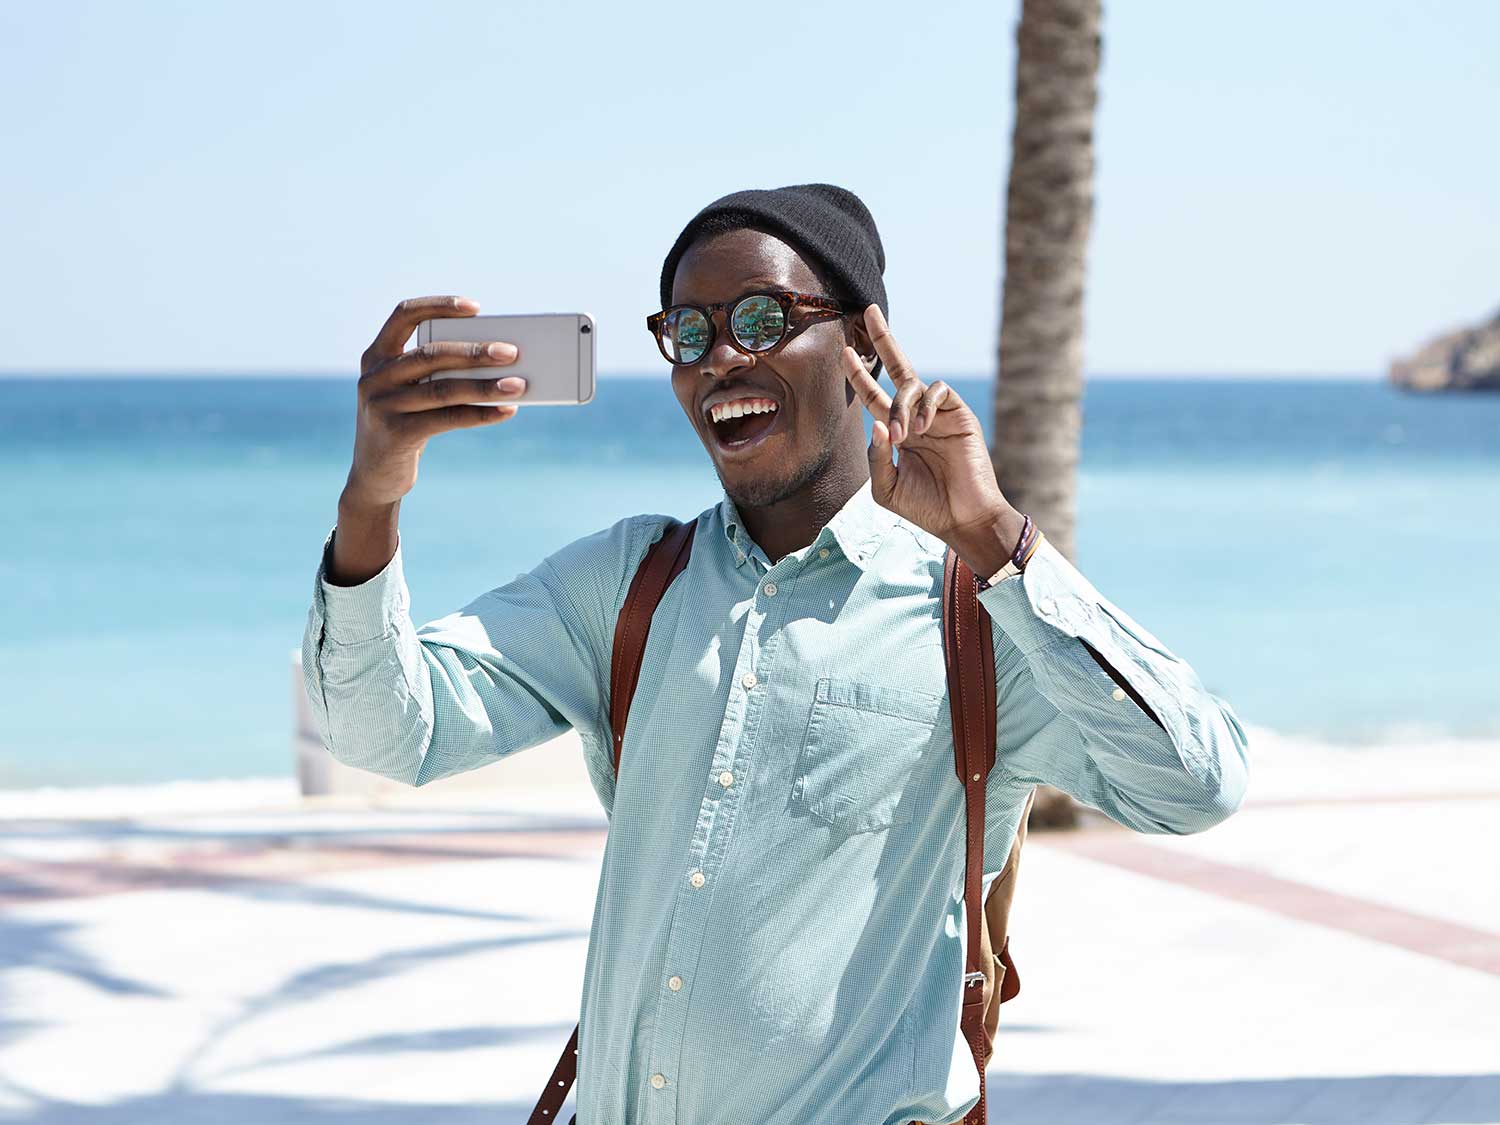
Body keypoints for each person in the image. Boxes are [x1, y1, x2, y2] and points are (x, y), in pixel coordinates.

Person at [301, 183, 1251, 1125]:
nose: (718, 358)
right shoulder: (629, 584)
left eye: (760, 319)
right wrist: (372, 496)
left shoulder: (973, 610)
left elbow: (1196, 783)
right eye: (689, 330)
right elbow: (388, 730)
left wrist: (995, 535)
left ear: (860, 345)